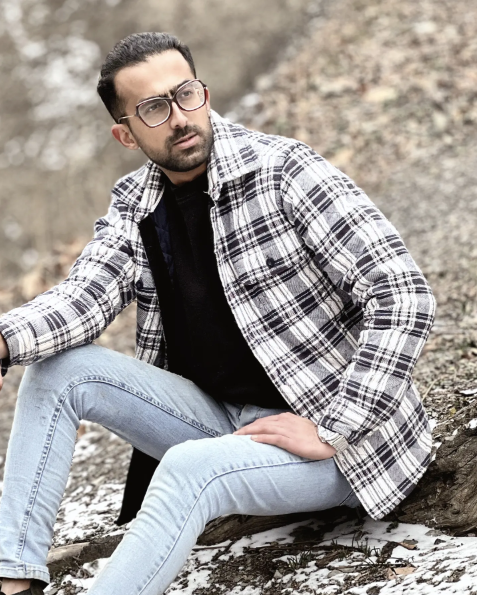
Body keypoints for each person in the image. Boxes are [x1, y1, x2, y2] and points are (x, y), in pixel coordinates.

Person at [0, 32, 435, 595]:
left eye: (186, 94)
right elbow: (83, 298)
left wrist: (336, 427)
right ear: (126, 134)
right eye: (153, 108)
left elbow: (403, 295)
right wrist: (4, 340)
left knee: (188, 468)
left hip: (344, 444)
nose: (179, 117)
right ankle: (13, 578)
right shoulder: (136, 204)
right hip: (227, 423)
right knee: (59, 371)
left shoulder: (283, 171)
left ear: (203, 92)